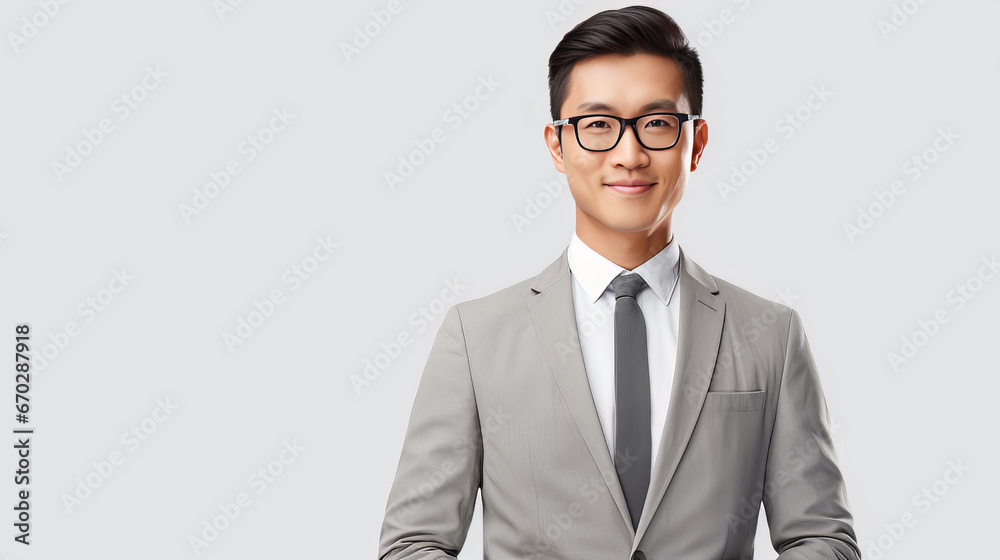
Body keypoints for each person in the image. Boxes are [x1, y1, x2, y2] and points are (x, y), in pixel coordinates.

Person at [378, 6, 860, 559]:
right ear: (557, 145)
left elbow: (821, 536)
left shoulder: (771, 334)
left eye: (656, 123)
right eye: (598, 125)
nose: (629, 156)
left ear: (696, 142)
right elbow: (414, 544)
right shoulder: (476, 336)